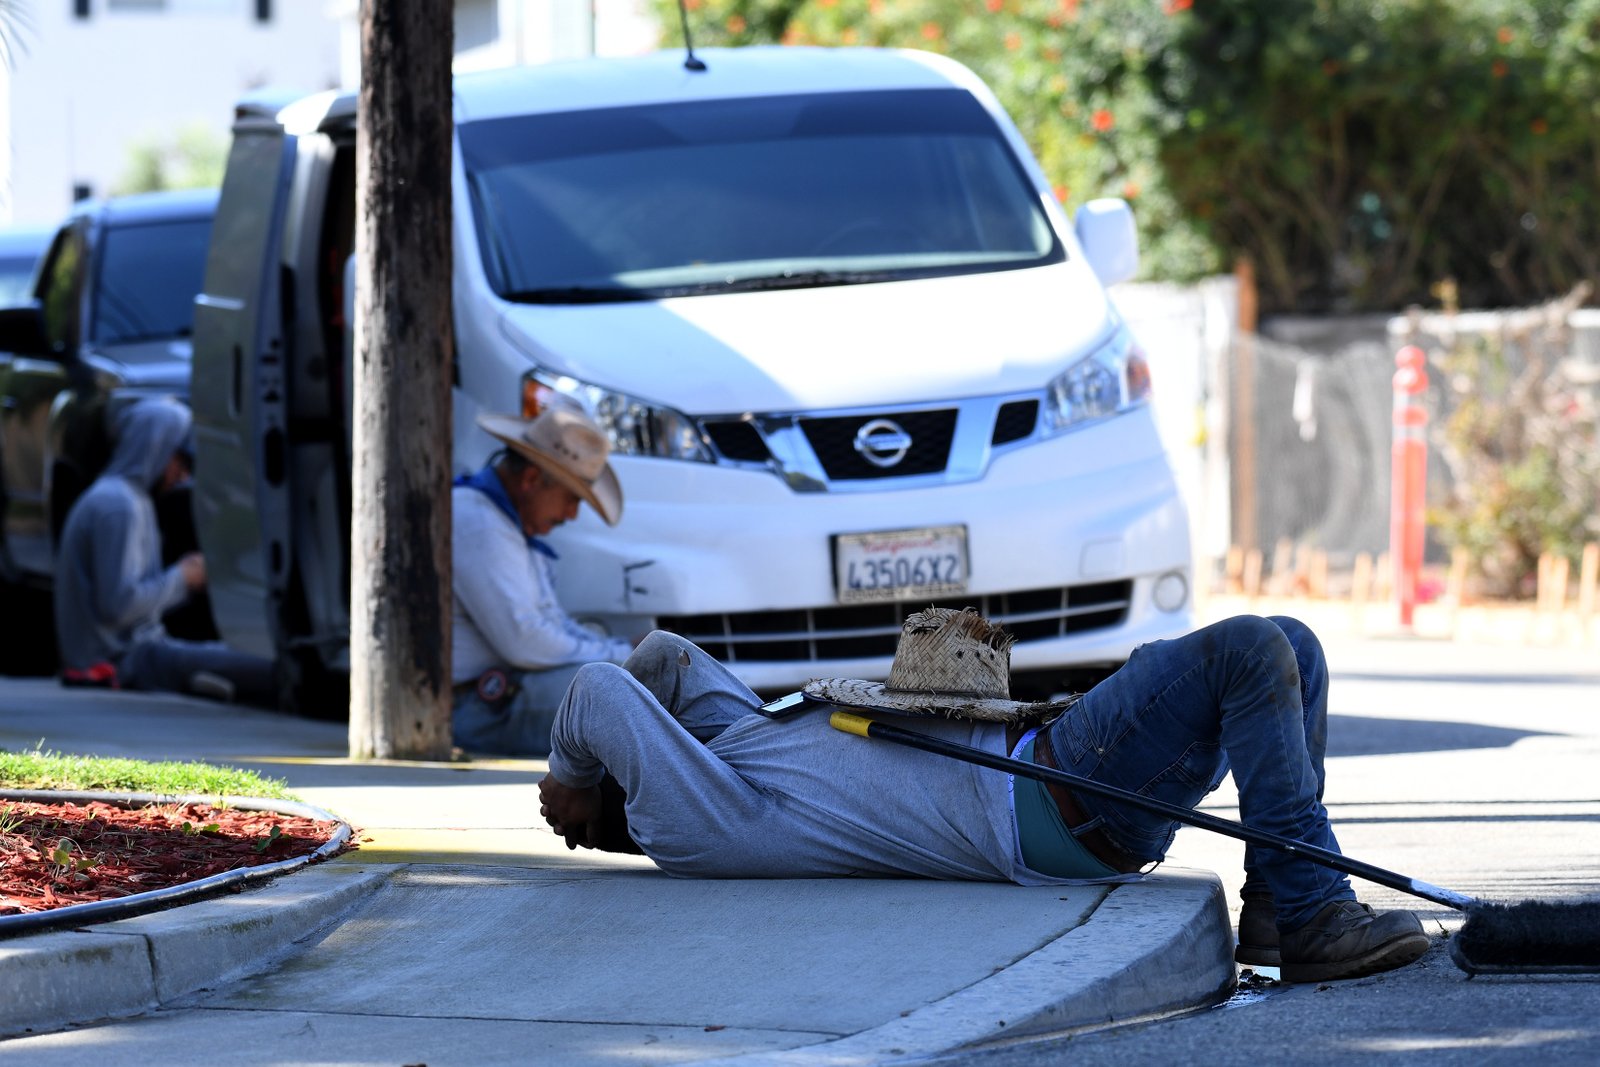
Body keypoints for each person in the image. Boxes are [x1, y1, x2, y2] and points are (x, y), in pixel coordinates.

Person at [538, 607, 1431, 984]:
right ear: (644, 779)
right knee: (1245, 648)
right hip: (1054, 795)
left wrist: (597, 770)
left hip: (1051, 757)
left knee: (1293, 642)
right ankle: (1316, 915)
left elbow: (659, 657)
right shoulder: (701, 823)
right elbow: (600, 694)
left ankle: (1279, 905)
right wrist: (573, 782)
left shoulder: (734, 745)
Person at [53, 397, 276, 702]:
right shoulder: (118, 506)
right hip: (122, 659)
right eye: (181, 460)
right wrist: (182, 578)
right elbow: (118, 605)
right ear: (154, 447)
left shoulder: (126, 499)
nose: (183, 475)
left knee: (232, 652)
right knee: (269, 667)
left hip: (137, 649)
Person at [450, 407, 635, 756]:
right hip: (479, 707)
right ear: (532, 479)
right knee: (623, 695)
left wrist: (622, 654)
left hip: (504, 695)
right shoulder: (479, 523)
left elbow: (549, 627)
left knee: (633, 687)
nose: (571, 515)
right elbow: (526, 641)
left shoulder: (501, 523)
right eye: (572, 499)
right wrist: (622, 653)